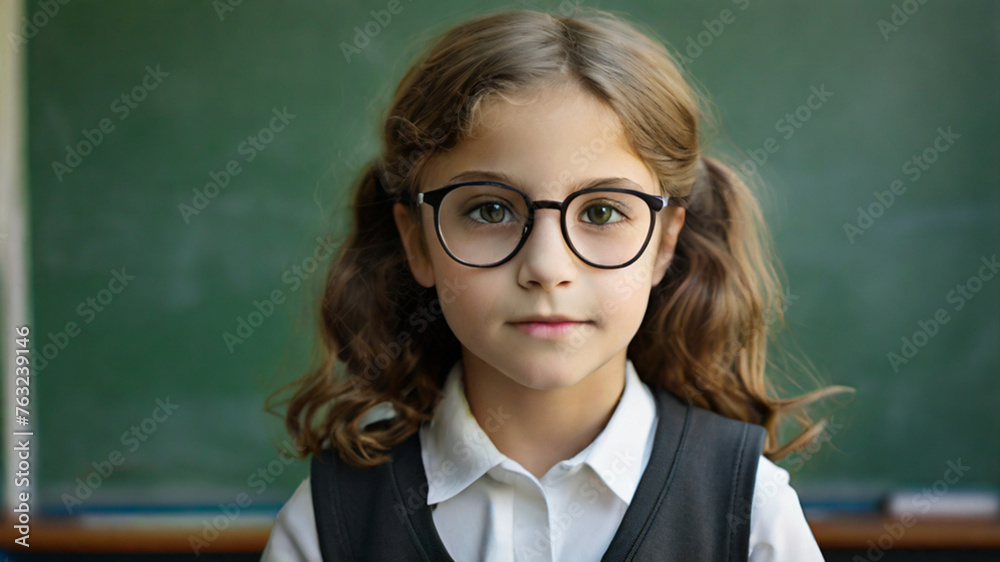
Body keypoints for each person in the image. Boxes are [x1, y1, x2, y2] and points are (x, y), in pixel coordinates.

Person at [262, 6, 851, 561]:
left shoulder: (750, 510)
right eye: (490, 210)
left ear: (665, 241)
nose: (547, 266)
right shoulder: (330, 521)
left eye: (600, 212)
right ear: (417, 241)